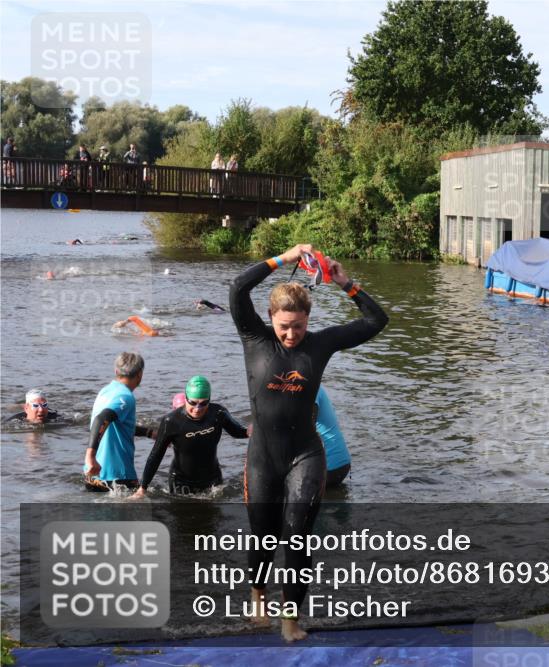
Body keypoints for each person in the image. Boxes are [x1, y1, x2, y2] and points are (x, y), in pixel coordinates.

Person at [230, 243, 388, 641]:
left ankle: (290, 621)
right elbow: (237, 287)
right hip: (263, 458)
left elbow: (377, 320)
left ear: (308, 320)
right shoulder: (255, 337)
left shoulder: (320, 344)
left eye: (298, 326)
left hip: (305, 454)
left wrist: (345, 283)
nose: (290, 334)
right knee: (263, 536)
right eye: (284, 326)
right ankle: (258, 598)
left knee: (297, 537)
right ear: (270, 317)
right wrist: (283, 259)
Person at [131, 376, 249, 498]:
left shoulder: (218, 414)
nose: (197, 409)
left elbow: (237, 432)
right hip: (182, 482)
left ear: (209, 399)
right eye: (193, 403)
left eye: (203, 403)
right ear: (186, 398)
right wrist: (143, 488)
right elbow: (156, 455)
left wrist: (249, 431)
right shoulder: (171, 421)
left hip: (213, 479)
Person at [83, 352, 150, 491]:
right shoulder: (126, 396)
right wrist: (90, 456)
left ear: (116, 371)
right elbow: (102, 419)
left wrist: (149, 433)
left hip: (93, 475)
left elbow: (116, 425)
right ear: (140, 374)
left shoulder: (105, 391)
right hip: (117, 476)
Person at [315, 385, 350, 488]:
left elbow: (306, 431)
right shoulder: (315, 386)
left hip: (328, 468)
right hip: (340, 463)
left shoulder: (311, 390)